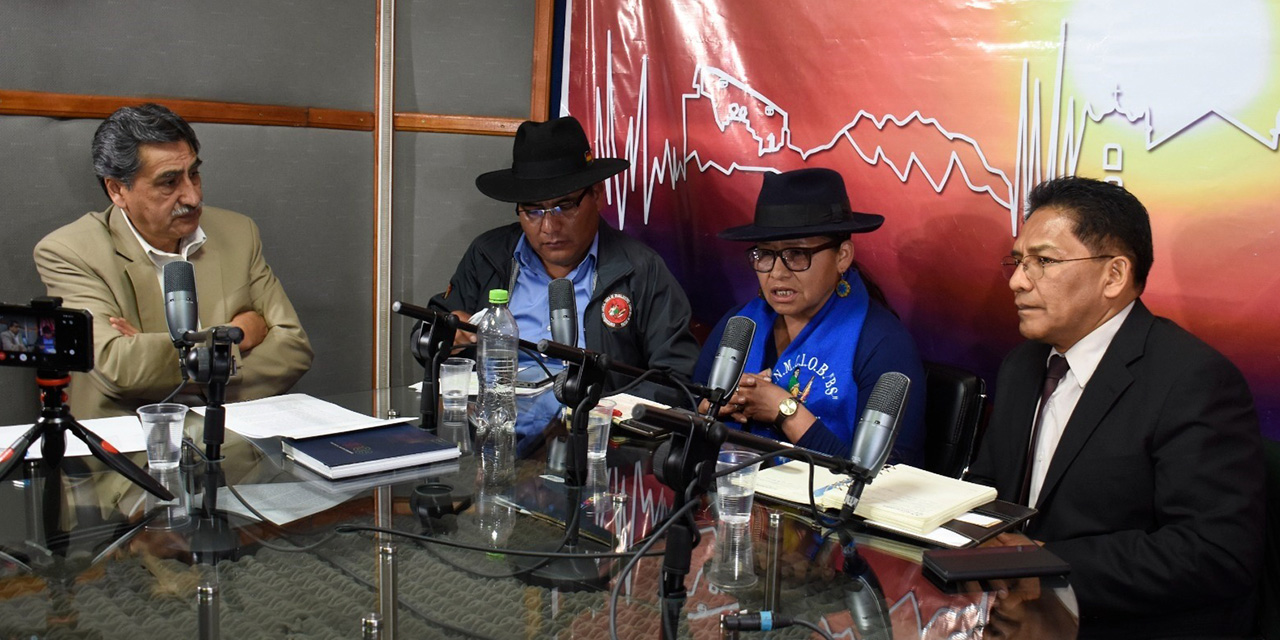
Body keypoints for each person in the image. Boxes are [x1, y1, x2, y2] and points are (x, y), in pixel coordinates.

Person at [967, 176, 1264, 638]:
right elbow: (991, 489)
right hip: (1003, 613)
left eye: (1043, 261)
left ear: (1114, 275)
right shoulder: (1022, 365)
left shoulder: (1192, 381)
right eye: (1019, 260)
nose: (1016, 280)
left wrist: (1043, 563)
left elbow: (1214, 552)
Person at [34, 103, 314, 418]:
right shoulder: (69, 251)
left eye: (193, 174)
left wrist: (153, 353)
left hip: (234, 439)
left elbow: (293, 350)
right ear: (117, 190)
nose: (193, 196)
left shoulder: (239, 232)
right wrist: (234, 334)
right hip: (129, 448)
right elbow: (118, 368)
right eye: (169, 182)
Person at [428, 116, 700, 414]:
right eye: (533, 211)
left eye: (565, 206)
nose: (549, 227)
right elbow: (428, 338)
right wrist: (446, 337)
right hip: (498, 422)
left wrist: (601, 406)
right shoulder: (489, 254)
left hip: (594, 432)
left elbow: (675, 381)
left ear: (597, 194)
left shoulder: (640, 269)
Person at [694, 168, 926, 462]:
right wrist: (710, 410)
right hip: (730, 495)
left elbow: (891, 477)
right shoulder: (740, 324)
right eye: (765, 254)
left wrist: (785, 411)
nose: (777, 273)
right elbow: (684, 412)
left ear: (842, 256)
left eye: (797, 254)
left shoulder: (883, 344)